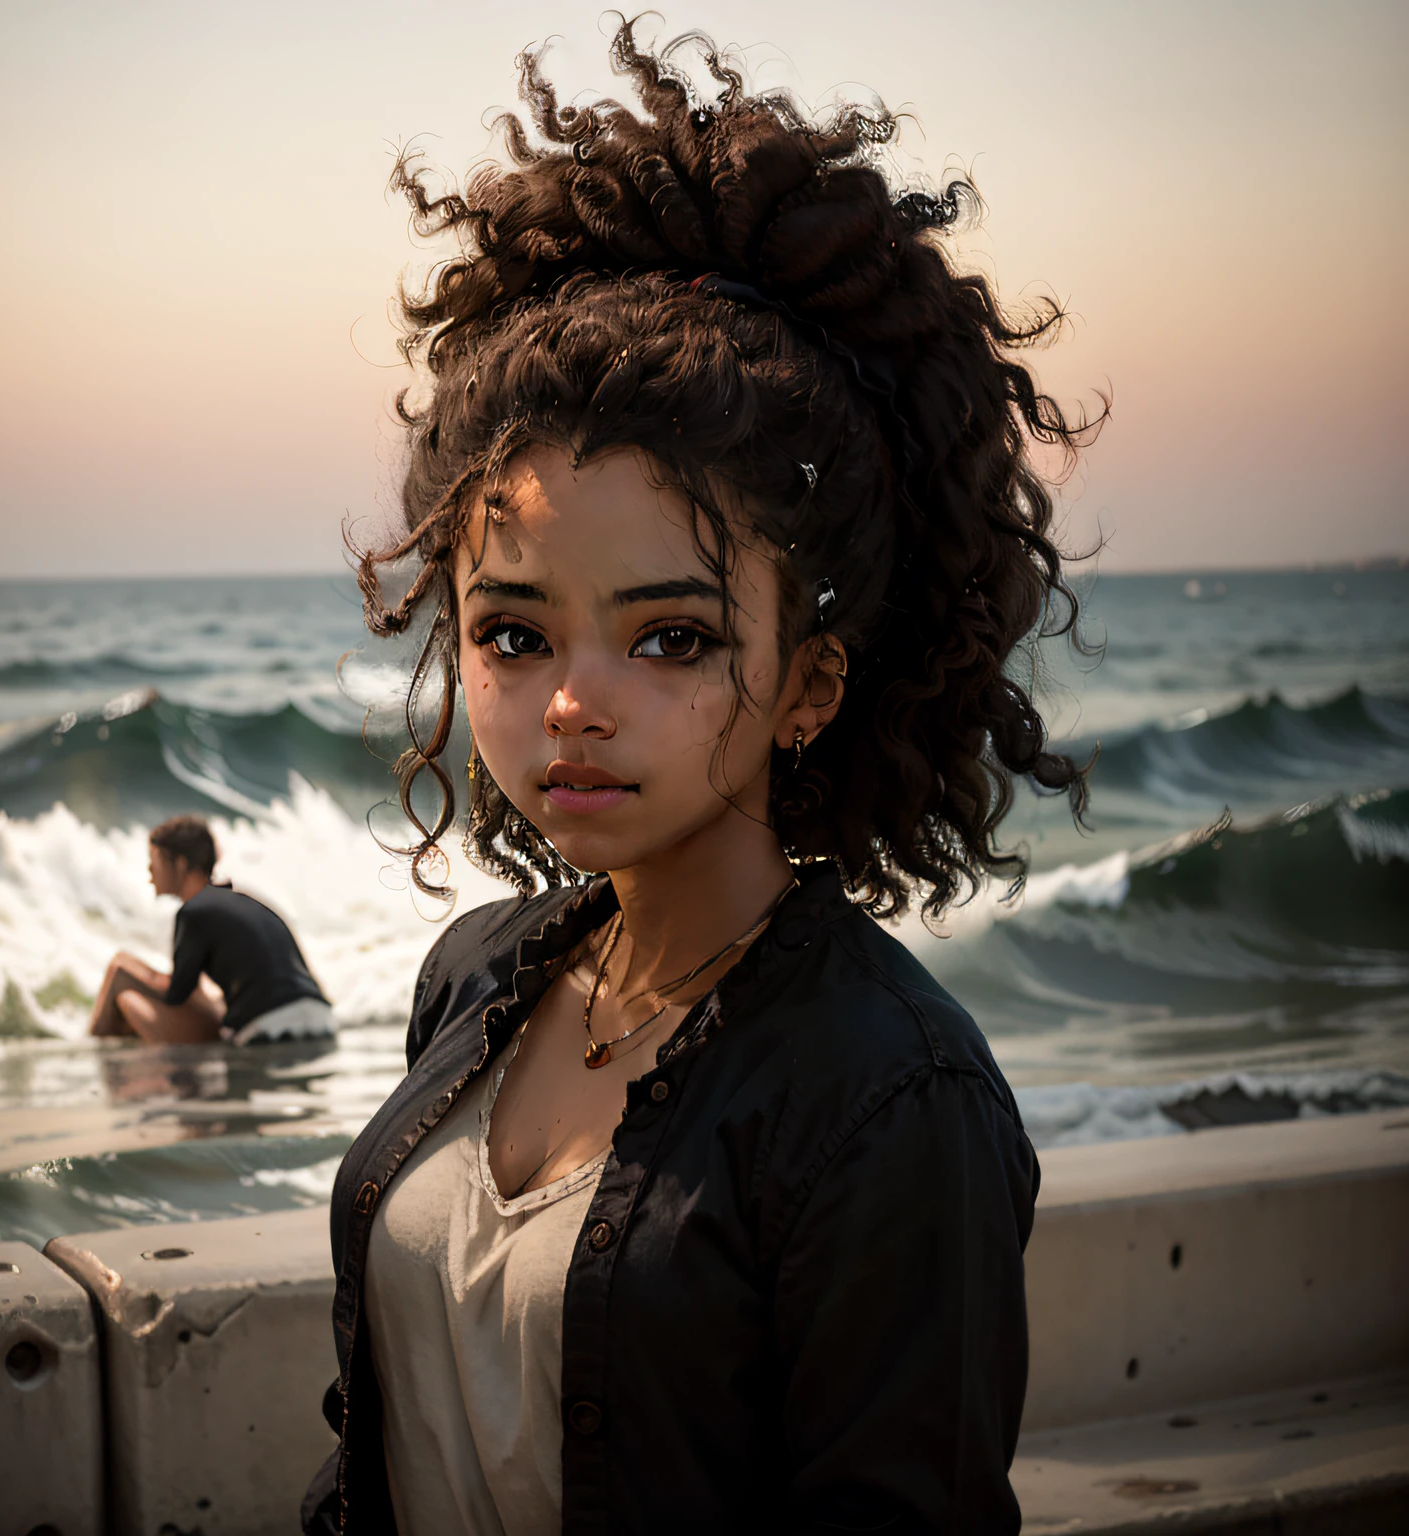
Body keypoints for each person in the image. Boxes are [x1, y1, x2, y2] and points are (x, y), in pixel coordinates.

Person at [306, 22, 1094, 1535]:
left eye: (670, 636)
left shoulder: (888, 1097)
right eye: (513, 632)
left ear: (810, 680)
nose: (574, 704)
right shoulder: (474, 986)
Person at [88, 814, 334, 1046]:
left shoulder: (193, 912)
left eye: (156, 861)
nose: (150, 871)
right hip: (320, 1017)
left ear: (181, 864)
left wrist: (126, 972)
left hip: (268, 1025)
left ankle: (94, 1055)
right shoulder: (246, 900)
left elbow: (177, 995)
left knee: (121, 974)